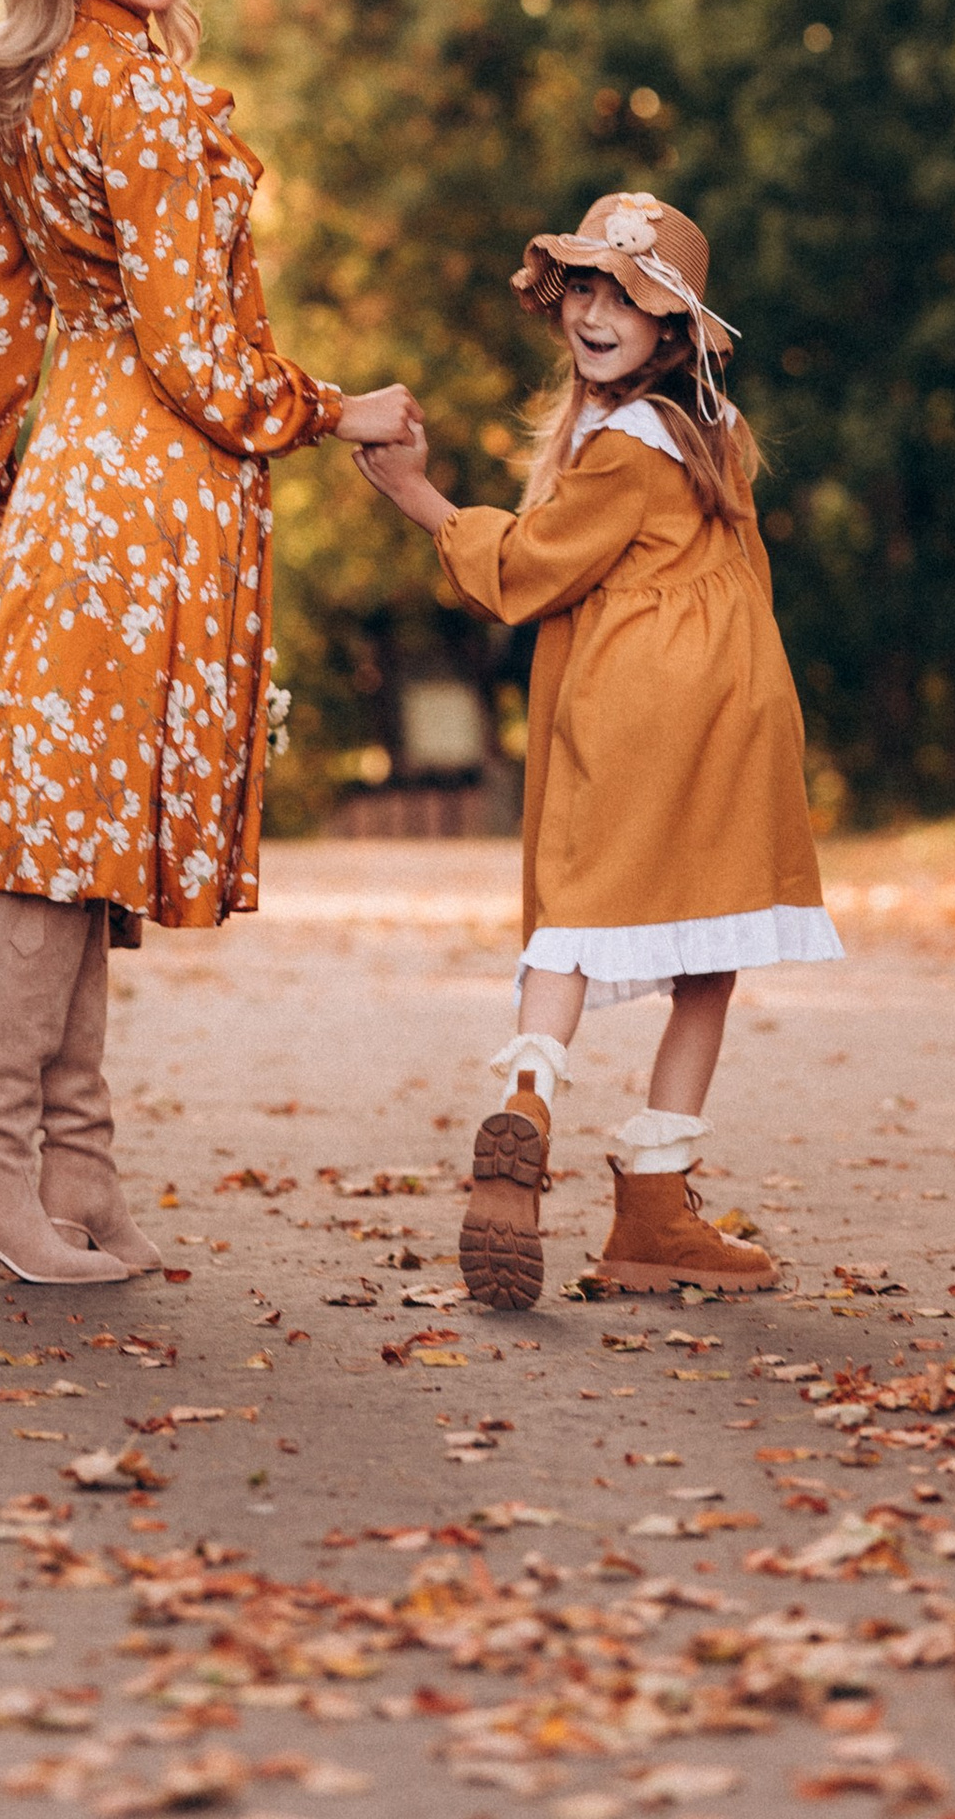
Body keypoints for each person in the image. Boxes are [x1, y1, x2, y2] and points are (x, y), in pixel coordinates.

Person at [0, 0, 421, 1287]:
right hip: (151, 488)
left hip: (77, 465)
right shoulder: (135, 94)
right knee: (61, 840)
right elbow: (199, 353)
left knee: (69, 832)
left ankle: (75, 1179)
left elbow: (0, 320)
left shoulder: (23, 98)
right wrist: (333, 410)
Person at [352, 189, 840, 1309]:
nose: (596, 307)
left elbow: (528, 571)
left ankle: (527, 1099)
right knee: (712, 945)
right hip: (734, 704)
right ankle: (654, 1205)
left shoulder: (624, 443)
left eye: (627, 291)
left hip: (643, 703)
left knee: (575, 908)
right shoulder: (701, 431)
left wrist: (422, 500)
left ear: (673, 330)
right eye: (582, 284)